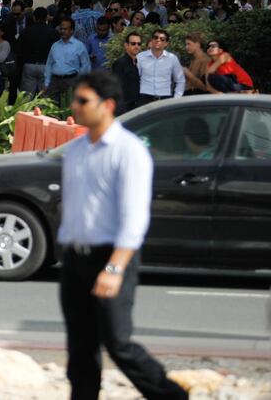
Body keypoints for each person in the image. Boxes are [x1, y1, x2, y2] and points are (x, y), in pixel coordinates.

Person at [58, 70, 188, 400]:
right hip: (75, 259)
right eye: (76, 98)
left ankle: (171, 395)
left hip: (111, 258)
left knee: (118, 343)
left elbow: (135, 218)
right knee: (80, 346)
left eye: (83, 100)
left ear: (108, 105)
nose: (75, 105)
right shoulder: (74, 151)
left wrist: (114, 268)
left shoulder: (129, 151)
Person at [43, 17, 91, 105]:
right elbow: (49, 64)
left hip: (71, 80)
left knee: (71, 107)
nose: (62, 31)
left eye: (65, 29)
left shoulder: (79, 46)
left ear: (72, 31)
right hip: (55, 81)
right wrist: (46, 82)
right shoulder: (55, 45)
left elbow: (85, 66)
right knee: (52, 107)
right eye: (61, 29)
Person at [17, 7, 59, 98]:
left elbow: (19, 50)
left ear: (34, 17)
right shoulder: (53, 32)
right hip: (46, 66)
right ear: (46, 17)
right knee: (45, 98)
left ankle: (26, 112)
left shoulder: (26, 31)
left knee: (26, 99)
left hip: (29, 65)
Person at [136, 29, 185, 106]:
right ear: (152, 40)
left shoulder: (172, 58)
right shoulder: (140, 57)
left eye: (162, 39)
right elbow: (135, 78)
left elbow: (180, 81)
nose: (158, 40)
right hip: (144, 98)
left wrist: (176, 99)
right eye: (155, 37)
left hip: (165, 99)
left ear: (166, 43)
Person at [110, 32, 142, 115]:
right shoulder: (120, 63)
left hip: (136, 107)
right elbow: (116, 88)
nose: (136, 46)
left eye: (139, 44)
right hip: (124, 109)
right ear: (126, 45)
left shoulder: (139, 62)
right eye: (133, 43)